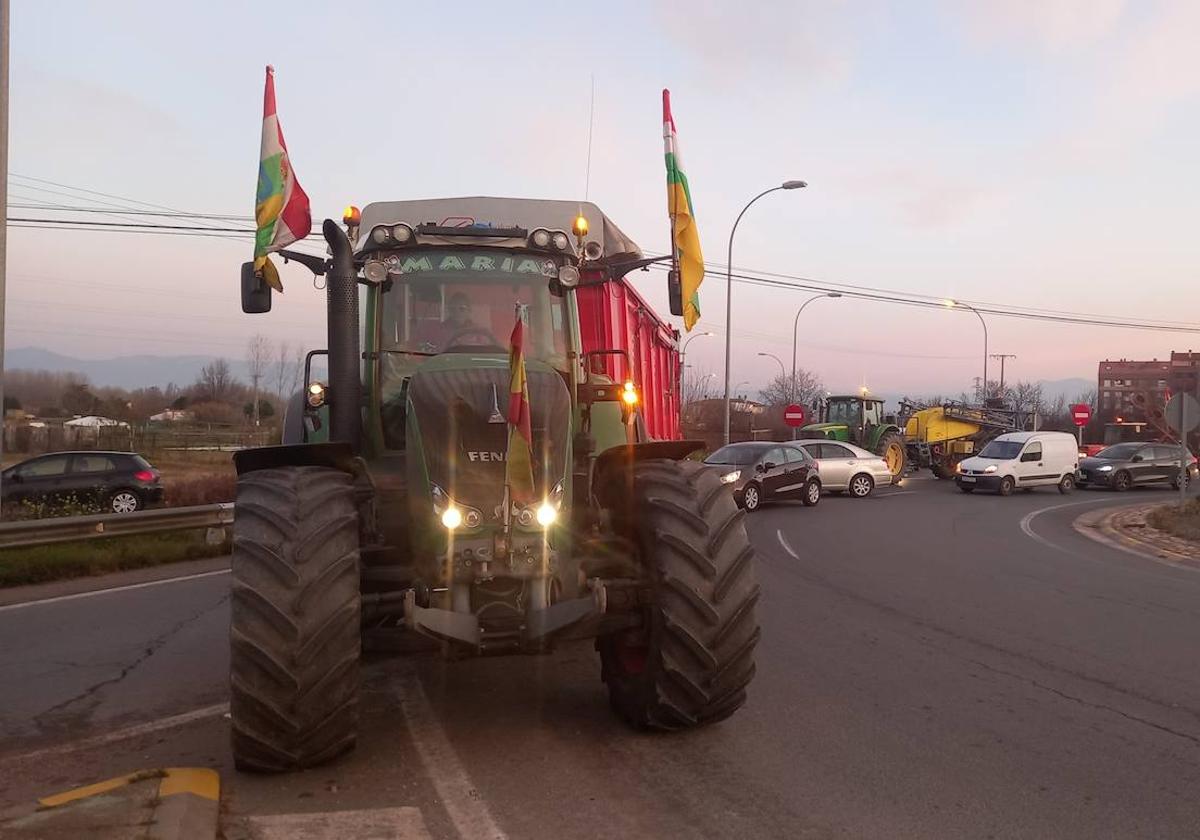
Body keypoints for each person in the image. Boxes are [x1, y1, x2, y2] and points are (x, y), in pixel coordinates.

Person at [413, 292, 493, 351]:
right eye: (453, 309)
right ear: (449, 310)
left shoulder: (480, 333)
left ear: (469, 310)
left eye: (462, 309)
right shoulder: (436, 331)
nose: (457, 312)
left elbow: (488, 354)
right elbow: (420, 348)